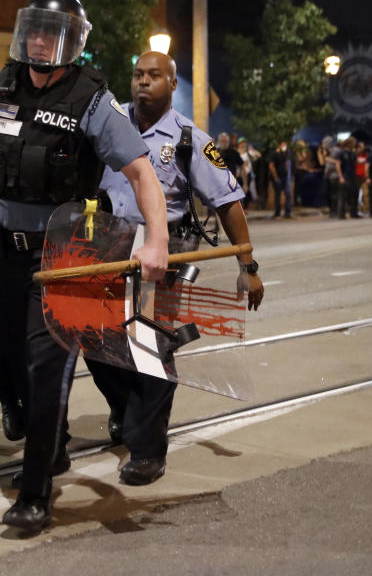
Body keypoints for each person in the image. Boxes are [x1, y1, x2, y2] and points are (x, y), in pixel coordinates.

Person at [0, 0, 169, 532]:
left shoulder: (93, 100)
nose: (39, 40)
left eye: (51, 31)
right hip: (0, 247)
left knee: (47, 370)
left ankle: (36, 490)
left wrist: (156, 239)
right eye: (33, 29)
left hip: (64, 255)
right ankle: (52, 445)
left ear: (71, 41)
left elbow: (141, 173)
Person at [89, 50, 264, 488]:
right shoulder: (108, 125)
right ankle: (128, 408)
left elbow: (228, 202)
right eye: (137, 75)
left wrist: (249, 265)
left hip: (164, 256)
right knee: (94, 342)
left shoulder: (191, 139)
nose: (143, 82)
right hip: (109, 249)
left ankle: (147, 450)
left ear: (171, 84)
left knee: (150, 346)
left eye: (154, 76)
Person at [268, 140, 293, 218]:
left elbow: (288, 165)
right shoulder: (274, 154)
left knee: (288, 194)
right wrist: (275, 177)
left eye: (285, 144)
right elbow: (271, 166)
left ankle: (287, 212)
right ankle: (277, 212)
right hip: (277, 177)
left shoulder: (286, 154)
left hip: (285, 177)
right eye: (283, 144)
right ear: (279, 145)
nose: (284, 146)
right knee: (278, 195)